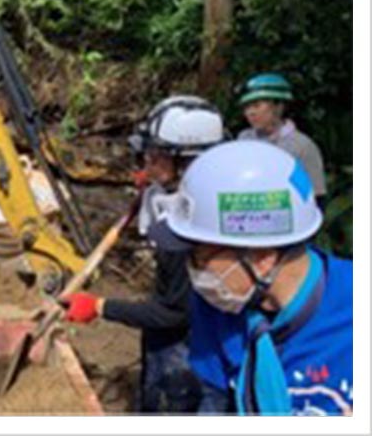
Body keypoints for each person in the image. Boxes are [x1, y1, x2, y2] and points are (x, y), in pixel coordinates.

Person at [151, 140, 352, 415]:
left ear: (262, 258)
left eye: (201, 257)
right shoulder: (215, 309)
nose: (194, 272)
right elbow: (215, 401)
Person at [63, 96, 225, 413]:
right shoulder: (184, 193)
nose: (145, 165)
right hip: (178, 333)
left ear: (187, 161)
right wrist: (149, 191)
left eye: (155, 157)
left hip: (193, 349)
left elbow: (172, 313)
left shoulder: (191, 227)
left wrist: (99, 306)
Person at [237, 73, 327, 209]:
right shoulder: (244, 140)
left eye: (256, 105)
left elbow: (315, 197)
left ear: (278, 106)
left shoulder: (301, 146)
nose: (250, 113)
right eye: (247, 107)